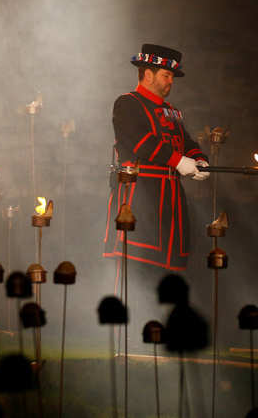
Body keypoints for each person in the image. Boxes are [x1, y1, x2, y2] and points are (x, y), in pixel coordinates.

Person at [103, 44, 210, 335]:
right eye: (166, 74)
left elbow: (186, 141)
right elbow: (140, 142)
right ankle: (125, 337)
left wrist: (199, 160)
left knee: (168, 271)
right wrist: (178, 160)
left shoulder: (173, 112)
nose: (170, 81)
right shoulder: (127, 103)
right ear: (147, 74)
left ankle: (162, 333)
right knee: (136, 267)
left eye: (171, 76)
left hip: (171, 199)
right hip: (139, 197)